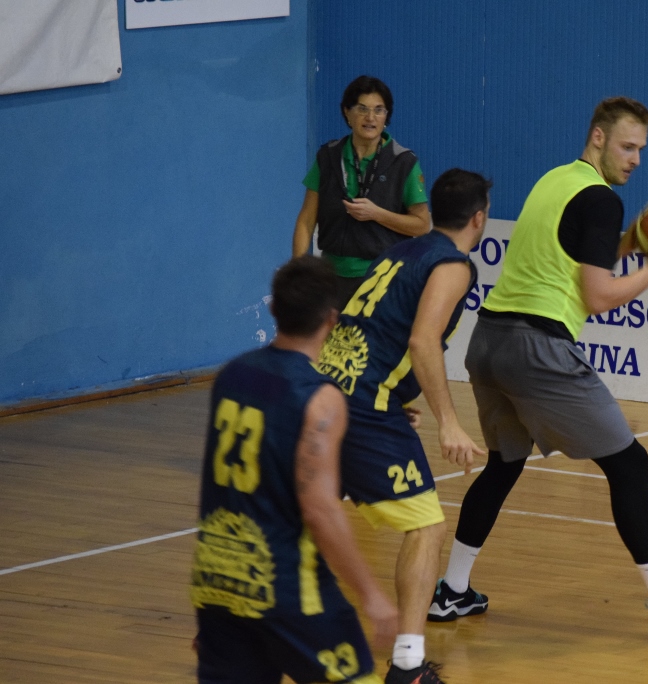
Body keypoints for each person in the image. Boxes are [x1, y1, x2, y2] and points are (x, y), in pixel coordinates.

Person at [428, 97, 648, 643]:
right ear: (597, 138)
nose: (636, 160)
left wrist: (632, 247)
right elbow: (597, 296)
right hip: (537, 349)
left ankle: (452, 590)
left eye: (642, 150)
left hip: (488, 342)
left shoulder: (554, 180)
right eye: (628, 147)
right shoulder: (601, 199)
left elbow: (570, 258)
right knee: (630, 464)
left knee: (505, 465)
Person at [317, 169, 491, 684]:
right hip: (362, 407)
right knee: (427, 525)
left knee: (309, 518)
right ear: (479, 218)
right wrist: (450, 424)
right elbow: (421, 342)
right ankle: (409, 669)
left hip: (327, 392)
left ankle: (248, 630)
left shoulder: (402, 250)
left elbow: (369, 325)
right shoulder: (453, 265)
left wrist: (389, 394)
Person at [190, 256, 397, 684]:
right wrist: (372, 594)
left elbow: (219, 489)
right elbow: (321, 510)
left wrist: (217, 606)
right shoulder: (320, 399)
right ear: (332, 319)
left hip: (218, 576)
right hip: (287, 587)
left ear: (274, 310)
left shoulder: (232, 376)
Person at [293, 75, 430, 307]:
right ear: (347, 112)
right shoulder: (328, 157)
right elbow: (306, 221)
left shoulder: (403, 161)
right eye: (362, 109)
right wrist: (298, 271)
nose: (370, 118)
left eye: (379, 110)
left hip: (382, 279)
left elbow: (421, 224)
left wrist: (377, 214)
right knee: (325, 343)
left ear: (387, 116)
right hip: (331, 277)